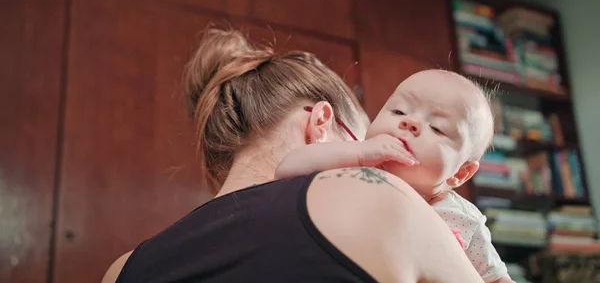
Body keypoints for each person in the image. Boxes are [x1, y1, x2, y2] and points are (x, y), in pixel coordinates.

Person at [102, 27, 484, 283]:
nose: (379, 164)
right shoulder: (376, 194)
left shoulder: (121, 268)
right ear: (321, 123)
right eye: (362, 142)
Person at [276, 69, 514, 283]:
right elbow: (287, 169)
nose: (409, 123)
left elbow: (496, 278)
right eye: (399, 111)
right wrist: (358, 152)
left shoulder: (463, 219)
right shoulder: (352, 170)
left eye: (437, 128)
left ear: (460, 173)